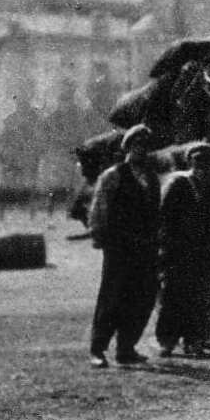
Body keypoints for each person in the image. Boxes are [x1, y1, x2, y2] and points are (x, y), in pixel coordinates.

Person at [87, 124, 163, 367]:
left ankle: (126, 347)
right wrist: (100, 235)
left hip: (145, 247)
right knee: (112, 297)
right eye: (137, 146)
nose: (141, 151)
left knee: (142, 298)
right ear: (128, 148)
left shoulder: (152, 179)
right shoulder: (113, 176)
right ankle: (98, 350)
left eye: (145, 147)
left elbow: (156, 212)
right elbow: (99, 208)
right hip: (120, 247)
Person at [155, 142, 210, 357]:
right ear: (191, 164)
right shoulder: (177, 183)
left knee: (201, 298)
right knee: (173, 295)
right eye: (198, 164)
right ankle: (167, 341)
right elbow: (163, 217)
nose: (202, 169)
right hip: (177, 250)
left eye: (207, 165)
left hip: (203, 252)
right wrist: (164, 248)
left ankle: (194, 340)